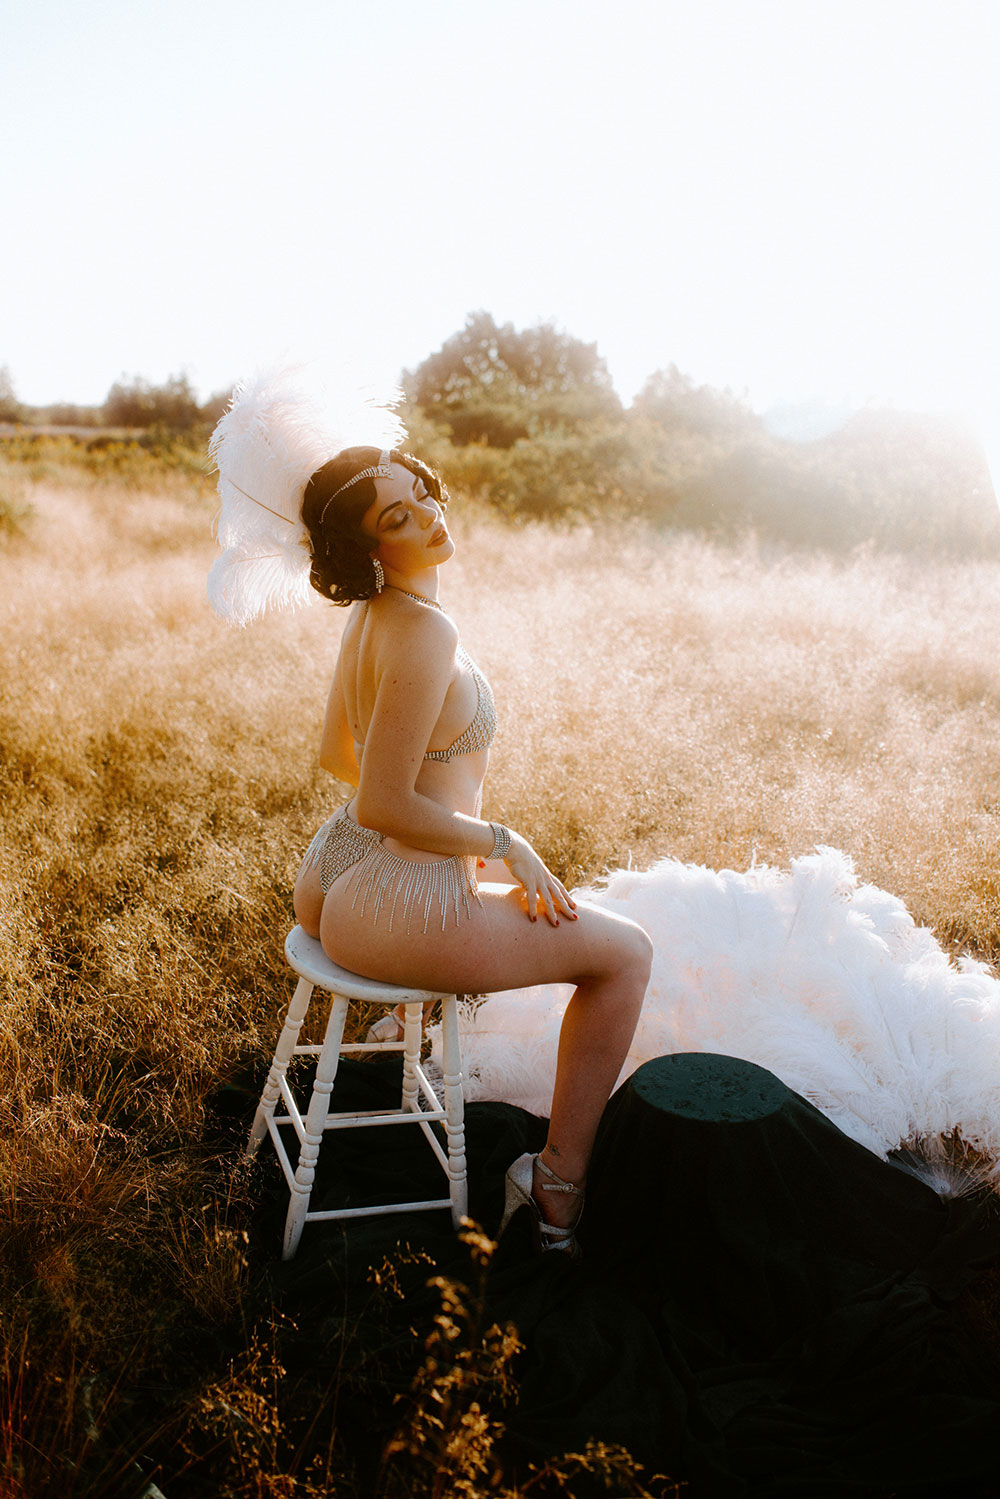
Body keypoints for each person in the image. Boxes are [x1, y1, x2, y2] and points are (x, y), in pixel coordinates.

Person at [209, 379, 651, 1256]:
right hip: (397, 892)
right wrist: (496, 840)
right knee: (626, 956)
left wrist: (434, 808)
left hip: (336, 870)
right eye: (397, 518)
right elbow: (382, 797)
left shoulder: (381, 612)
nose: (427, 518)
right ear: (367, 545)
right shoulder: (427, 632)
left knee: (577, 923)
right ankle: (556, 1185)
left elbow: (343, 759)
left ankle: (476, 1127)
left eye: (420, 496)